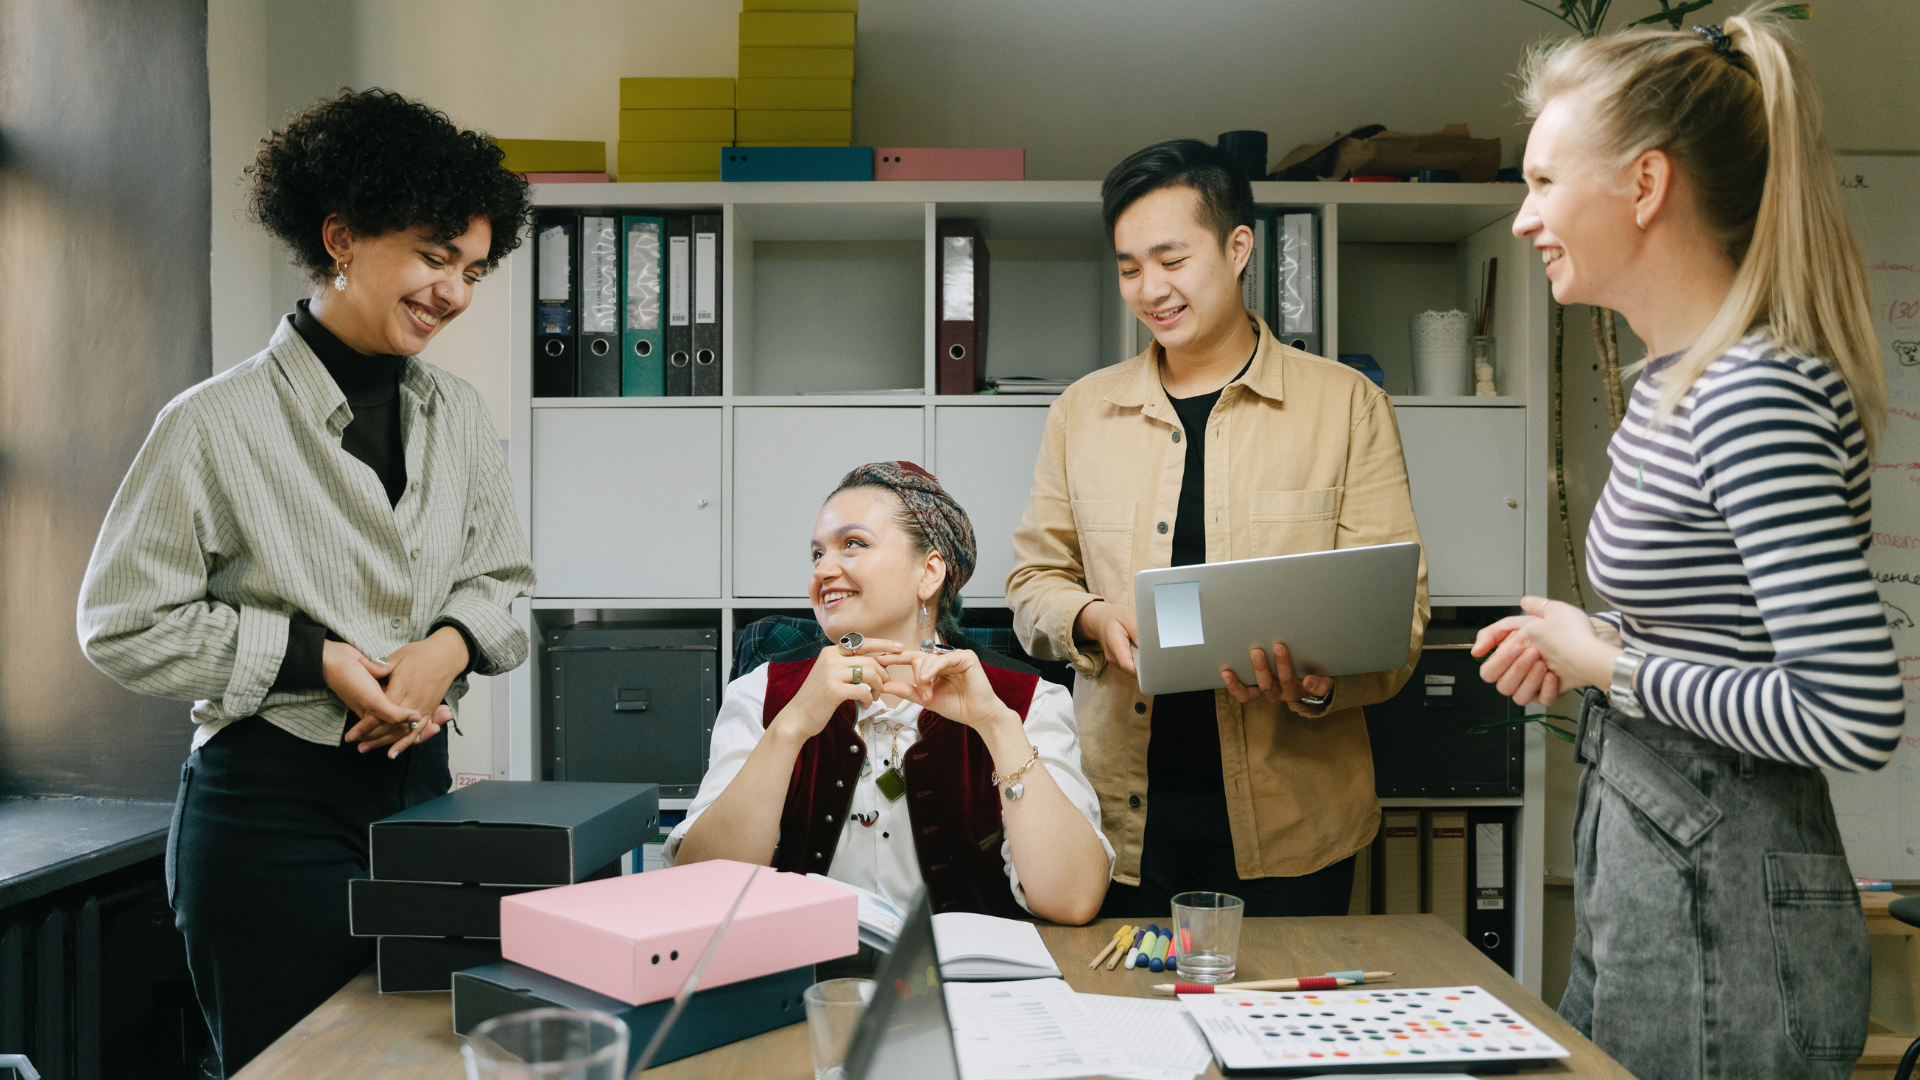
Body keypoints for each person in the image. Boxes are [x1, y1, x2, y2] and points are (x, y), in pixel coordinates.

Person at [1471, 11, 1899, 1079]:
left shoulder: (1750, 394)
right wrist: (1593, 645)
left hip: (1727, 911)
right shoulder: (1677, 383)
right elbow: (1729, 629)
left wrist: (1607, 664)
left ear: (1646, 185)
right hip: (1659, 871)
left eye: (1543, 181)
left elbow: (1851, 712)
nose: (1524, 219)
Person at [76, 89, 536, 1077]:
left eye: (471, 270)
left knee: (431, 1066)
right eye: (432, 256)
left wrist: (446, 649)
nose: (453, 292)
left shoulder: (459, 413)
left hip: (423, 806)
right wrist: (313, 660)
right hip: (268, 818)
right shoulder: (213, 423)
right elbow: (120, 623)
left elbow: (502, 582)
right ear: (341, 238)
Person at [1006, 139, 1429, 919]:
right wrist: (1092, 618)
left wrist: (1318, 682)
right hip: (1115, 818)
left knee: (1284, 1001)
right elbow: (1033, 584)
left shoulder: (1346, 406)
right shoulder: (1081, 413)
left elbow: (1398, 619)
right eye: (1130, 268)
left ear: (1238, 249)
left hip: (1296, 824)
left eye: (1171, 260)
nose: (1150, 290)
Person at [667, 462, 1112, 924]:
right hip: (807, 970)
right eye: (817, 554)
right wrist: (790, 727)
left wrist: (997, 727)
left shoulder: (1029, 700)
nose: (823, 571)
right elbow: (701, 892)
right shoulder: (760, 693)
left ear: (929, 573)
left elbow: (1072, 900)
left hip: (964, 971)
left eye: (853, 544)